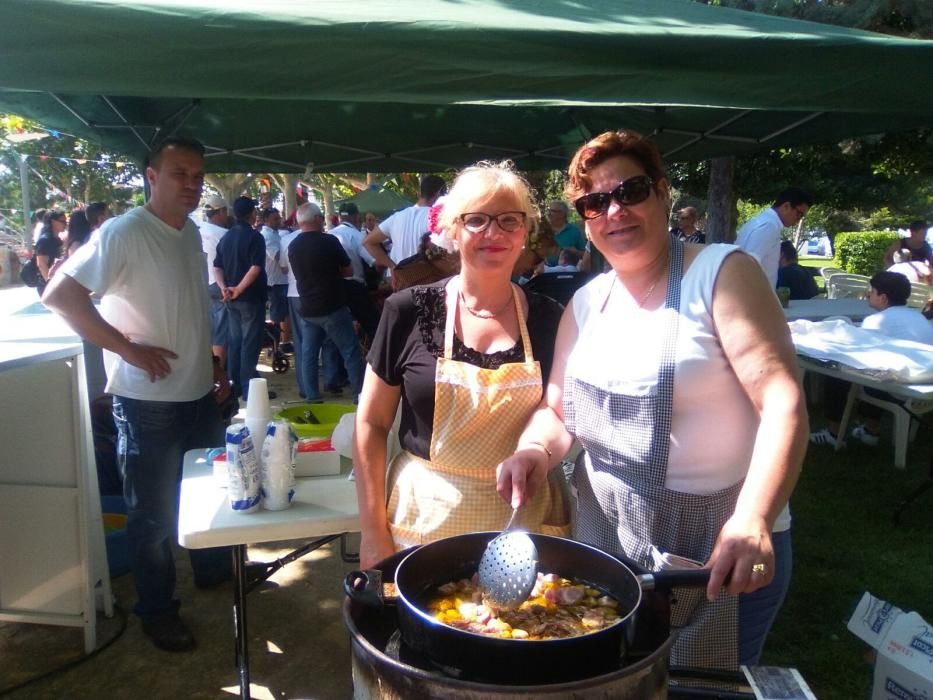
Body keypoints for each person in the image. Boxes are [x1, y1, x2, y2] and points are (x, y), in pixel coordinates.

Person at [497, 130, 807, 670]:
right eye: (594, 202)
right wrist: (535, 453)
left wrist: (754, 517)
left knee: (698, 686)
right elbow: (558, 410)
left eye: (630, 191)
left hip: (720, 549)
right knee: (612, 677)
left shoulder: (722, 274)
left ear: (663, 192)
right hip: (608, 540)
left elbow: (783, 403)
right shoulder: (588, 303)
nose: (613, 210)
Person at [41, 137, 232, 652]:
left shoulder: (189, 230)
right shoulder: (124, 231)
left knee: (211, 493)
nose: (190, 184)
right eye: (178, 173)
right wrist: (125, 348)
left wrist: (213, 363)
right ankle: (157, 610)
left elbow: (185, 305)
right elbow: (59, 295)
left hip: (197, 395)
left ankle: (212, 570)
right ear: (151, 175)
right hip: (146, 403)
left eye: (197, 174)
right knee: (150, 515)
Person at [353, 161, 570, 569]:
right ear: (452, 230)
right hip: (427, 520)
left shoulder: (551, 318)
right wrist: (371, 531)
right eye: (477, 220)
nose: (494, 233)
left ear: (525, 232)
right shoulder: (407, 311)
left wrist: (537, 451)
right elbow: (371, 424)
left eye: (509, 220)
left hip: (526, 526)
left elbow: (558, 413)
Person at [810, 271, 933, 448]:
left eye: (872, 291)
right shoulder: (919, 317)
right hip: (926, 381)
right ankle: (870, 431)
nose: (868, 294)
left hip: (902, 387)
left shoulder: (877, 321)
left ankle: (833, 432)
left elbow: (858, 354)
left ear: (883, 298)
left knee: (839, 373)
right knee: (878, 368)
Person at [288, 202, 365, 403]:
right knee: (350, 352)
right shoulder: (329, 241)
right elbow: (349, 271)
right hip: (332, 305)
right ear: (317, 219)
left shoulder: (293, 245)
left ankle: (312, 396)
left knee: (309, 355)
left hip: (307, 308)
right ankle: (359, 395)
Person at [213, 196, 267, 401]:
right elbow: (256, 267)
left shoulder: (225, 238)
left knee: (235, 342)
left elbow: (217, 266)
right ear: (252, 214)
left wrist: (225, 288)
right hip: (250, 297)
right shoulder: (255, 237)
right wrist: (239, 289)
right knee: (250, 344)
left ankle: (233, 385)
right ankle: (248, 389)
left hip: (231, 298)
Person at [362, 175, 446, 271]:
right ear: (439, 194)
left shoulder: (396, 217)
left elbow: (367, 242)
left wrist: (393, 267)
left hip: (402, 280)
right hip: (430, 280)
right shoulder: (440, 218)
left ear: (420, 193)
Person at [735, 188, 813, 289]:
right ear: (786, 206)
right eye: (799, 214)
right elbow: (748, 267)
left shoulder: (762, 222)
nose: (799, 220)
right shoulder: (768, 227)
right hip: (754, 297)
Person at [329, 201, 381, 345]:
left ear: (340, 217)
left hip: (332, 288)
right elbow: (374, 262)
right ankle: (377, 359)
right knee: (373, 325)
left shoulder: (328, 234)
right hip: (354, 287)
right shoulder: (357, 236)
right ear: (356, 216)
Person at [198, 195, 230, 366]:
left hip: (201, 283)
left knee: (209, 328)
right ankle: (219, 371)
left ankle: (209, 367)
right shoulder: (224, 234)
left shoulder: (196, 228)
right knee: (221, 330)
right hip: (218, 284)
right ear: (222, 211)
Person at [259, 207, 290, 342]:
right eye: (275, 219)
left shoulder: (276, 234)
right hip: (275, 281)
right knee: (278, 314)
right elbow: (277, 255)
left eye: (279, 218)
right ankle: (279, 343)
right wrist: (286, 266)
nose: (279, 221)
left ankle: (284, 341)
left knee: (283, 313)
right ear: (266, 220)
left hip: (281, 279)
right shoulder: (267, 236)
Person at [34, 209, 67, 296]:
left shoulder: (58, 240)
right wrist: (50, 284)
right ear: (53, 222)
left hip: (57, 282)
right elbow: (41, 265)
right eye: (62, 221)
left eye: (66, 221)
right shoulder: (44, 240)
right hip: (47, 284)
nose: (65, 224)